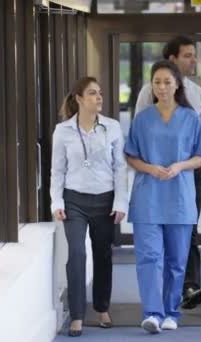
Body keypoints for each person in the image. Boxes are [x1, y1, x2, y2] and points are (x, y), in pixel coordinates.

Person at [125, 60, 201, 333]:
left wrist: (180, 166)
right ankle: (152, 313)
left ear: (177, 84)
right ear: (151, 87)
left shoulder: (191, 118)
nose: (161, 87)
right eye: (157, 82)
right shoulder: (142, 119)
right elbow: (131, 155)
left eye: (166, 82)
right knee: (149, 257)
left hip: (180, 197)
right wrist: (150, 168)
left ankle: (171, 312)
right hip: (148, 198)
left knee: (177, 260)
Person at [50, 77, 127, 336]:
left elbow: (120, 167)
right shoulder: (63, 131)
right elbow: (57, 170)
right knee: (77, 254)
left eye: (100, 93)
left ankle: (102, 307)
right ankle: (77, 314)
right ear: (79, 98)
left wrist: (120, 202)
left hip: (105, 200)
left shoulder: (112, 127)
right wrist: (56, 201)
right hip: (74, 201)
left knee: (102, 254)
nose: (99, 98)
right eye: (93, 93)